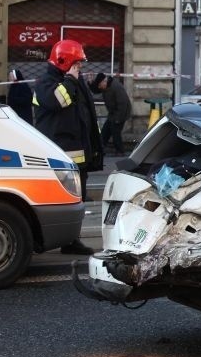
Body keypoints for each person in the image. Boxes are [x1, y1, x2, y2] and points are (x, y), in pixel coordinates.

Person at [33, 39, 103, 255]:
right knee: (59, 201)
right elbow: (57, 101)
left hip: (78, 154)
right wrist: (71, 80)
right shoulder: (46, 82)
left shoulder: (74, 81)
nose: (80, 68)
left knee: (77, 200)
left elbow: (87, 112)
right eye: (77, 64)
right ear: (65, 61)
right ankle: (53, 239)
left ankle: (71, 241)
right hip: (59, 156)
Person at [92, 72, 132, 155]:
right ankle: (100, 150)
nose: (99, 87)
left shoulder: (116, 87)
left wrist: (118, 118)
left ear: (104, 81)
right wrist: (90, 83)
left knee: (115, 132)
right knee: (105, 131)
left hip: (121, 112)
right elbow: (96, 90)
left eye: (100, 85)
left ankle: (120, 151)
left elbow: (123, 103)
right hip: (113, 112)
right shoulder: (105, 86)